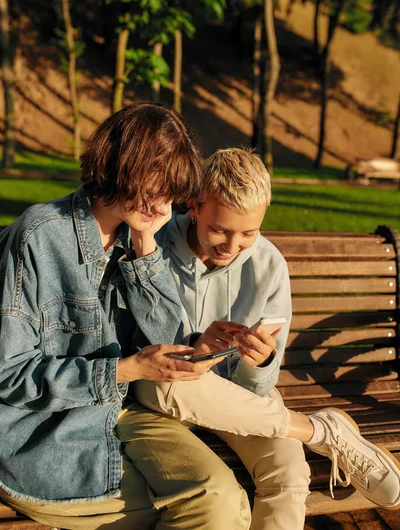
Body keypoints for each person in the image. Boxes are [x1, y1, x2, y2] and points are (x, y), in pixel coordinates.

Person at [0, 105, 252, 530]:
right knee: (209, 514)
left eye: (171, 192)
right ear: (118, 165)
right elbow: (10, 375)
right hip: (46, 433)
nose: (162, 204)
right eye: (155, 184)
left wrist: (146, 250)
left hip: (123, 411)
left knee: (221, 499)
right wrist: (125, 368)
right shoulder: (39, 237)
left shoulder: (138, 238)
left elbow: (169, 338)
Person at [129, 147, 400, 530]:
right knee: (168, 386)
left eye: (248, 233)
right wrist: (197, 349)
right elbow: (142, 350)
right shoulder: (153, 248)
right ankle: (322, 431)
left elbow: (258, 389)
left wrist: (260, 364)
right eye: (219, 229)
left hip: (244, 401)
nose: (231, 245)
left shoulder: (269, 264)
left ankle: (319, 433)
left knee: (290, 473)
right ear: (193, 204)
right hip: (169, 393)